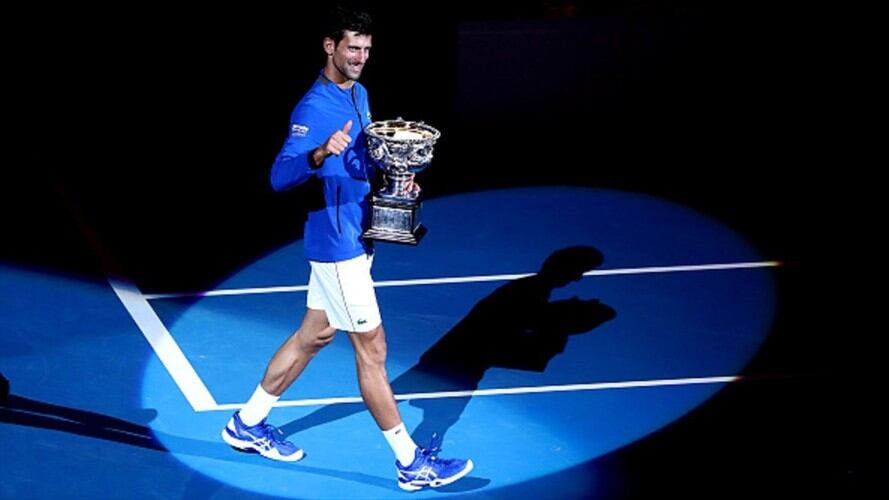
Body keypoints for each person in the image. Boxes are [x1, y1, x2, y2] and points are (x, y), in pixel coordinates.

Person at [220, 5, 473, 492]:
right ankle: (410, 464)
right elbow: (279, 177)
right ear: (329, 46)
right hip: (337, 246)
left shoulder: (359, 93)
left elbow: (365, 160)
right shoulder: (312, 109)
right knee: (373, 351)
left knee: (313, 336)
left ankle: (246, 424)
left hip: (358, 233)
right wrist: (319, 153)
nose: (360, 57)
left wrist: (397, 182)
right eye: (352, 47)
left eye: (366, 49)